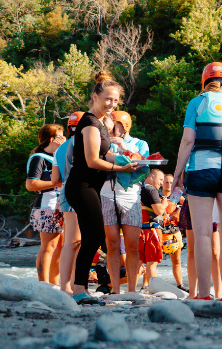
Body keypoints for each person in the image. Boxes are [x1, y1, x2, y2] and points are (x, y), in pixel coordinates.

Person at [171, 62, 222, 302]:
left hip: (202, 169)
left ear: (204, 82)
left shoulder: (197, 102)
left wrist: (176, 174)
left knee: (203, 234)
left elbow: (187, 140)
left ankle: (204, 295)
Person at [64, 71, 140, 305]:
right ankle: (78, 289)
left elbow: (104, 154)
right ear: (95, 96)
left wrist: (125, 159)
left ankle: (79, 289)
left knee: (91, 236)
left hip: (90, 186)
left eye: (116, 100)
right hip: (81, 186)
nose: (112, 104)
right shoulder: (88, 122)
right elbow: (91, 161)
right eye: (108, 98)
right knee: (95, 236)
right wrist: (121, 170)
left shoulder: (100, 123)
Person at [101, 111, 148, 294]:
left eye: (116, 124)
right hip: (106, 193)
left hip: (130, 194)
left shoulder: (139, 143)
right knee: (111, 243)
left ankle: (132, 290)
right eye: (110, 125)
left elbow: (143, 162)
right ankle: (115, 290)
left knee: (132, 244)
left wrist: (124, 146)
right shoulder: (103, 142)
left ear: (125, 125)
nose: (112, 128)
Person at [26, 124, 65, 284]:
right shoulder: (39, 158)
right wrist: (55, 183)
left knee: (61, 247)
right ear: (51, 139)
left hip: (61, 205)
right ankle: (43, 283)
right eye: (60, 136)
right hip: (47, 205)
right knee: (48, 247)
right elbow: (31, 184)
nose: (64, 140)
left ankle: (54, 282)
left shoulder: (58, 157)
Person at [53, 111, 83, 293]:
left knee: (73, 242)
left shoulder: (60, 148)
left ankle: (70, 285)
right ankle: (69, 286)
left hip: (65, 190)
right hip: (79, 191)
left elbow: (55, 179)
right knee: (75, 242)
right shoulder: (83, 144)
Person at [138, 168, 168, 290]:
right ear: (151, 177)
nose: (161, 183)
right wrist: (165, 204)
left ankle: (134, 289)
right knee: (152, 262)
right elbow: (159, 211)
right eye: (160, 179)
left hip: (139, 231)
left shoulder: (138, 189)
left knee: (138, 262)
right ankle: (155, 290)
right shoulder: (151, 190)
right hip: (151, 231)